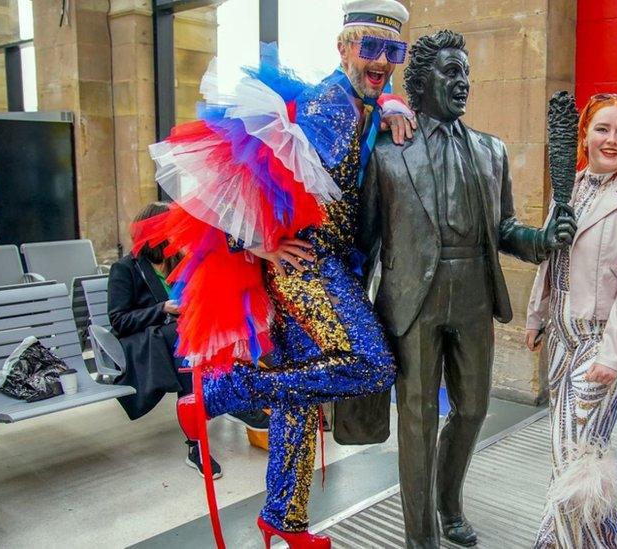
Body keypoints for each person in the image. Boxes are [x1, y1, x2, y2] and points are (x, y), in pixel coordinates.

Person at [134, 2, 414, 547]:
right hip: (308, 266)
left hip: (322, 265)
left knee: (301, 397)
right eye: (370, 46)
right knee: (373, 364)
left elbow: (375, 107)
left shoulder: (365, 101)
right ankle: (225, 390)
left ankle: (283, 518)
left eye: (392, 51)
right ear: (343, 47)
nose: (381, 60)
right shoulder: (324, 103)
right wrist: (259, 244)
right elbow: (237, 178)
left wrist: (393, 101)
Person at [336, 30, 576, 549]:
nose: (463, 81)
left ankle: (448, 505)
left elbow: (506, 228)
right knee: (418, 423)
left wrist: (541, 240)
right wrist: (346, 317)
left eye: (466, 72)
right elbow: (365, 243)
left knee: (472, 410)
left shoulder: (492, 151)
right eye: (451, 72)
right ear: (420, 83)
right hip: (409, 303)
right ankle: (420, 538)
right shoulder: (384, 154)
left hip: (472, 294)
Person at [525, 93, 617, 548]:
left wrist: (613, 354)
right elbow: (550, 258)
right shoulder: (573, 184)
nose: (611, 139)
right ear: (585, 133)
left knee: (574, 455)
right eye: (603, 128)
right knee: (571, 454)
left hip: (601, 339)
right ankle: (599, 541)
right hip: (561, 335)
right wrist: (535, 316)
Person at [111, 203, 269, 479]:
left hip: (182, 336)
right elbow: (119, 320)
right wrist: (163, 309)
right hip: (146, 341)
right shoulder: (126, 268)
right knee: (187, 346)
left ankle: (229, 403)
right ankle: (213, 426)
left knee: (222, 332)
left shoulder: (180, 261)